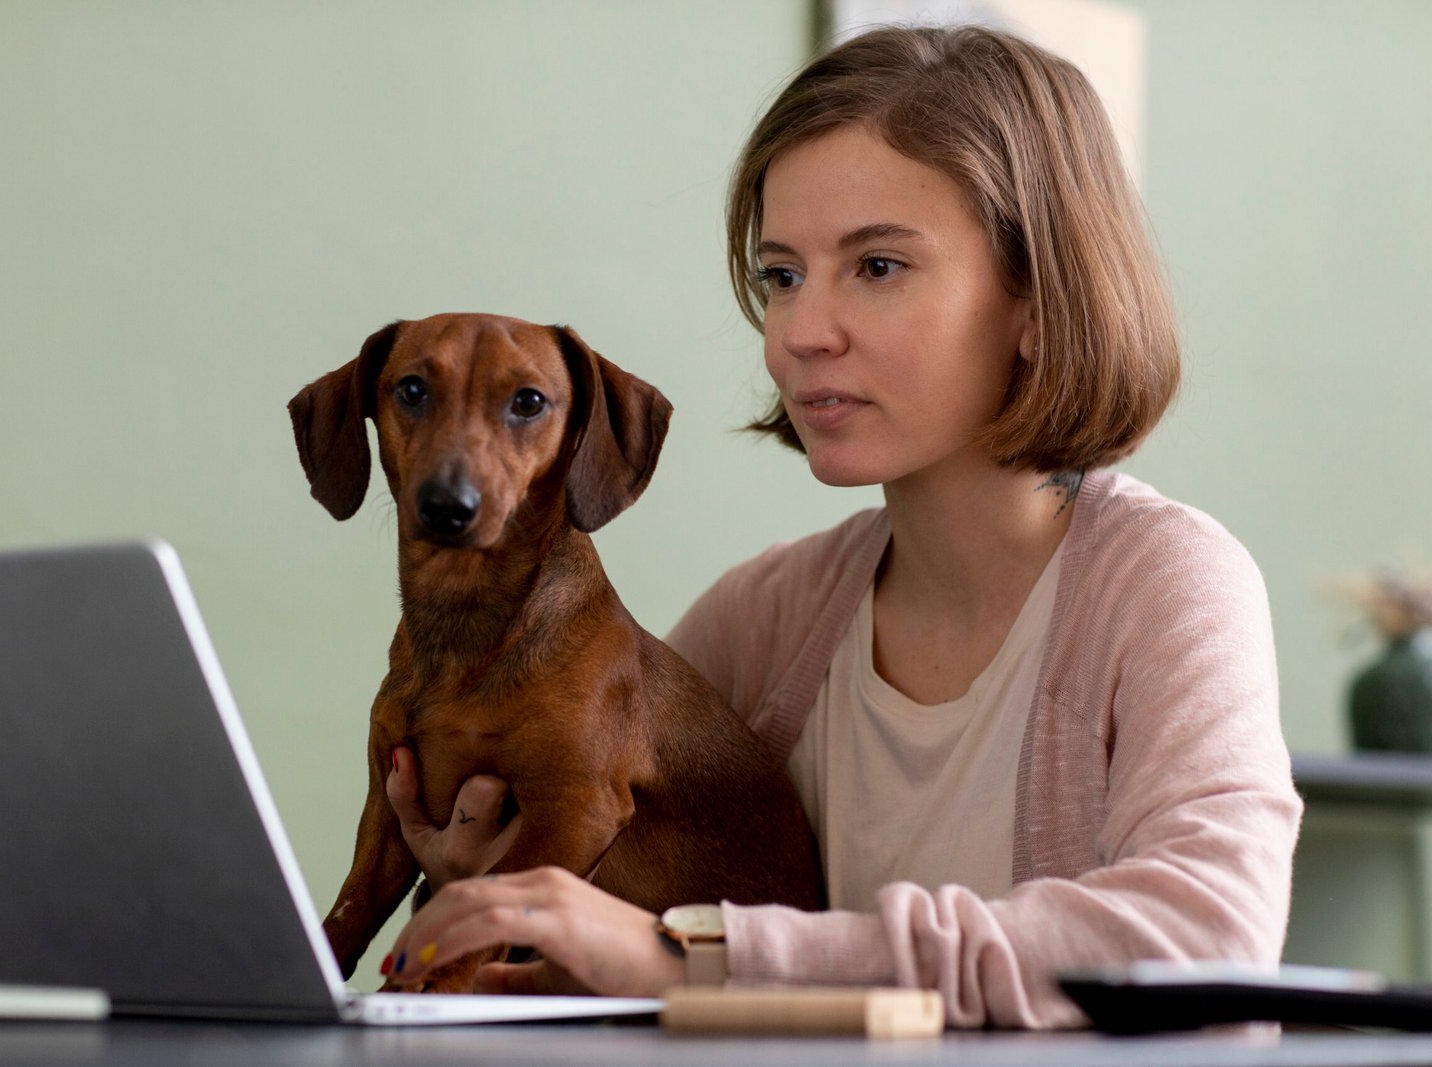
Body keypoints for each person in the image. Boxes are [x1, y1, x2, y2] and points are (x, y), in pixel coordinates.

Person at [376, 24, 1302, 1029]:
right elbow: (594, 930)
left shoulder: (1166, 582)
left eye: (877, 267)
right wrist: (486, 881)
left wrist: (709, 953)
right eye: (781, 274)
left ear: (1037, 302)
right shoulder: (761, 620)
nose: (802, 331)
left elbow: (1208, 933)